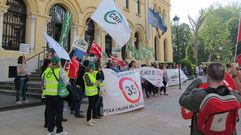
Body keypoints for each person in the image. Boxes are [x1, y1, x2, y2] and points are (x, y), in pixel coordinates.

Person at [179, 62, 241, 135]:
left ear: (207, 76)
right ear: (224, 76)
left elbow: (182, 100)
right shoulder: (234, 96)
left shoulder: (199, 96)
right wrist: (234, 76)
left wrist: (196, 82)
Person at [42, 56, 69, 135]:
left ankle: (50, 131)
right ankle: (59, 131)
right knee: (58, 113)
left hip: (48, 95)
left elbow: (43, 83)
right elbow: (66, 82)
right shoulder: (60, 70)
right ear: (59, 63)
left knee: (50, 113)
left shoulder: (46, 71)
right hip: (57, 95)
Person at [83, 61, 100, 126]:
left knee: (92, 106)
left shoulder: (90, 74)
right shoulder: (86, 74)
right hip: (90, 93)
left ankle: (90, 118)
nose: (93, 70)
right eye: (93, 69)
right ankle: (88, 120)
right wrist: (96, 83)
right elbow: (88, 83)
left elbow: (92, 81)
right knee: (90, 107)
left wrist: (96, 82)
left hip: (94, 92)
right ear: (89, 68)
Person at [41, 59, 52, 128]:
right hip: (49, 93)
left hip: (45, 93)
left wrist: (43, 92)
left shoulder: (44, 72)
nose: (52, 64)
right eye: (51, 63)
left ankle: (46, 122)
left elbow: (41, 84)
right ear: (48, 64)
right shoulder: (49, 72)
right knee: (49, 109)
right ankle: (47, 122)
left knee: (47, 108)